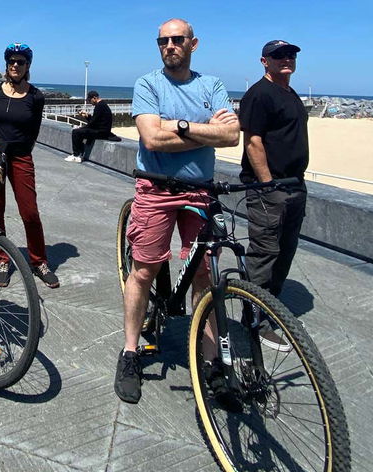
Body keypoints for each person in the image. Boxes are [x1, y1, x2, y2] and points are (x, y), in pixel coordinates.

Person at [114, 18, 239, 404]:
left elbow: (232, 136)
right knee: (145, 270)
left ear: (193, 43)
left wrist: (179, 126)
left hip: (199, 191)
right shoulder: (147, 84)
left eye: (177, 39)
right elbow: (151, 138)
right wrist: (203, 129)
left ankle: (212, 361)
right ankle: (130, 352)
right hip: (155, 188)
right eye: (163, 41)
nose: (170, 45)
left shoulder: (212, 85)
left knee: (205, 273)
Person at [239, 40, 309, 352]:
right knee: (264, 254)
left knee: (285, 251)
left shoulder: (290, 92)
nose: (287, 59)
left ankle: (272, 308)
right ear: (264, 61)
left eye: (290, 54)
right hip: (270, 187)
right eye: (279, 55)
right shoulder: (259, 93)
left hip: (295, 185)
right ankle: (256, 320)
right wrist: (267, 185)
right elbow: (252, 141)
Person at [0, 42, 60, 289]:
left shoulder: (36, 96)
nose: (16, 65)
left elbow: (34, 129)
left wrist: (21, 150)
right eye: (12, 61)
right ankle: (2, 260)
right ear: (7, 64)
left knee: (30, 212)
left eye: (21, 62)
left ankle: (39, 261)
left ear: (28, 66)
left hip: (21, 157)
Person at [65, 90, 113, 162]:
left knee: (76, 132)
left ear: (94, 98)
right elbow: (95, 120)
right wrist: (87, 116)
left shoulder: (99, 106)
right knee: (79, 132)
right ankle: (80, 153)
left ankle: (76, 155)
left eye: (90, 100)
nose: (90, 102)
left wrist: (81, 128)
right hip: (102, 130)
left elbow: (92, 123)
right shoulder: (102, 105)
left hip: (101, 132)